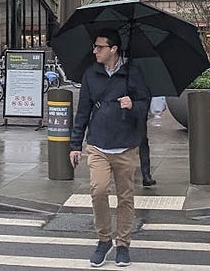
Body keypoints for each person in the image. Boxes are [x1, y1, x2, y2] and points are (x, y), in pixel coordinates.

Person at [69, 28, 150, 268]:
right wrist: (75, 144)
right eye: (95, 46)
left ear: (113, 49)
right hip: (98, 144)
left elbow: (145, 104)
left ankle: (123, 244)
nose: (95, 51)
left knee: (125, 196)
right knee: (98, 190)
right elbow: (82, 110)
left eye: (100, 47)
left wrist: (132, 104)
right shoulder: (91, 73)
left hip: (125, 146)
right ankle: (104, 239)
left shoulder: (132, 72)